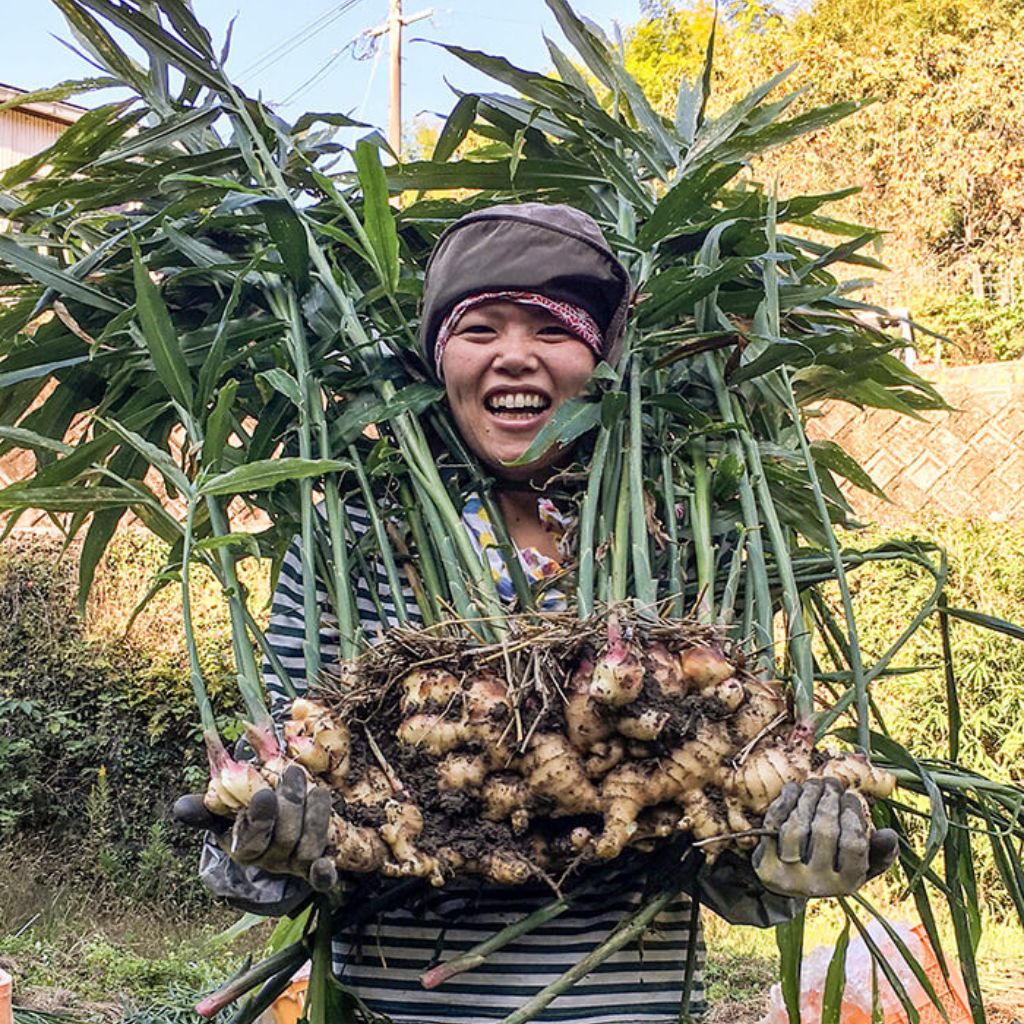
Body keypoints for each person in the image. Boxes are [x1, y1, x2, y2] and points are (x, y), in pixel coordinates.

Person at [176, 202, 898, 1023]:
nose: (513, 357)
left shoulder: (682, 547)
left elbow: (720, 818)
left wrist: (780, 863)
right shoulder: (356, 540)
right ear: (437, 356)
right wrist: (263, 844)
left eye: (551, 330)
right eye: (480, 329)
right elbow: (281, 779)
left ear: (601, 360)